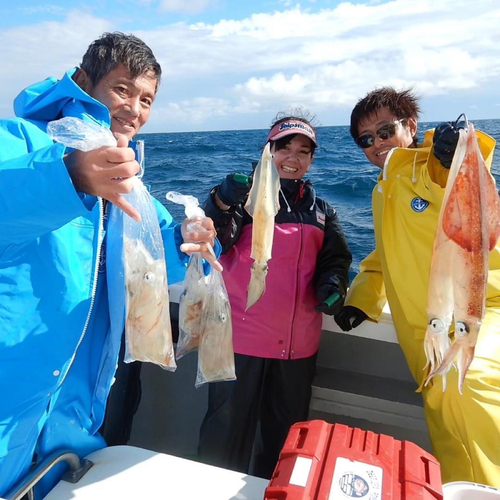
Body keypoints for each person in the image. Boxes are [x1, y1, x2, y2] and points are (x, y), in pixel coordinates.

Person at [0, 32, 220, 498]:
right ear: (84, 82)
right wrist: (68, 175)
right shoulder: (20, 140)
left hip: (73, 408)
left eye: (147, 99)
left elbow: (158, 262)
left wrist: (192, 241)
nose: (135, 109)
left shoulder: (132, 186)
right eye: (122, 89)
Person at [335, 87, 500, 486]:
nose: (377, 144)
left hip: (479, 311)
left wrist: (456, 148)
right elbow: (382, 254)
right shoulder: (384, 189)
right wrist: (361, 299)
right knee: (447, 423)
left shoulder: (423, 166)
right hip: (428, 330)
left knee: (469, 382)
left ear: (411, 127)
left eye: (385, 130)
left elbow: (451, 175)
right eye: (366, 139)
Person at [197, 109, 352, 479]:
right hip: (241, 341)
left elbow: (336, 259)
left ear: (312, 160)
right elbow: (214, 238)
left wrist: (333, 285)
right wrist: (219, 201)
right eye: (284, 148)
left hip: (298, 348)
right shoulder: (243, 201)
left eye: (303, 151)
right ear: (268, 151)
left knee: (285, 441)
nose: (293, 158)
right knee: (225, 434)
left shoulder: (323, 212)